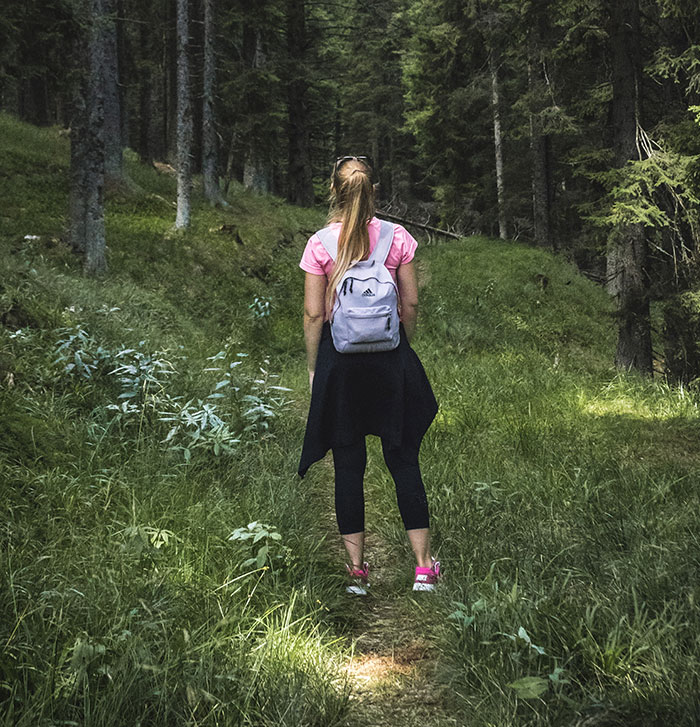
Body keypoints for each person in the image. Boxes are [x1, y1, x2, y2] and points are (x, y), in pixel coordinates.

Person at [297, 155, 440, 594]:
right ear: (373, 190)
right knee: (403, 459)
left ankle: (357, 574)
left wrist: (313, 367)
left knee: (348, 465)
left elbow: (314, 313)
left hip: (342, 365)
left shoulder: (320, 244)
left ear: (334, 193)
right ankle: (422, 568)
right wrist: (402, 342)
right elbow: (410, 304)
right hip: (389, 360)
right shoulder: (397, 238)